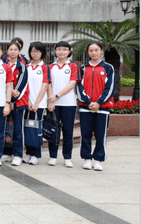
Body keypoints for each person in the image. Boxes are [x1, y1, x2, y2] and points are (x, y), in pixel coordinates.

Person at [76, 42, 115, 171]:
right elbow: (79, 87)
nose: (94, 53)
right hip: (85, 107)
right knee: (85, 134)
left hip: (102, 108)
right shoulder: (83, 68)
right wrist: (88, 102)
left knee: (100, 134)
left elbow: (110, 88)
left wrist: (99, 102)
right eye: (91, 50)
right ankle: (87, 159)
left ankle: (98, 159)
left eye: (96, 50)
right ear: (88, 52)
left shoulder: (108, 68)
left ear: (101, 51)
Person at [47, 41, 79, 168]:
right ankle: (52, 156)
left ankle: (67, 157)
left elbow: (72, 84)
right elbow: (48, 84)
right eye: (59, 49)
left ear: (69, 51)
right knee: (53, 131)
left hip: (69, 104)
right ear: (55, 51)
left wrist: (57, 96)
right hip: (53, 104)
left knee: (67, 131)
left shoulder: (72, 66)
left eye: (64, 49)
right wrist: (51, 100)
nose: (61, 51)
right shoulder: (50, 67)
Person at [1, 42, 29, 166]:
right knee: (7, 128)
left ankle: (17, 154)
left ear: (19, 51)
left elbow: (21, 86)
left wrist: (11, 100)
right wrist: (7, 100)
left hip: (19, 103)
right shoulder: (3, 65)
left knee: (18, 129)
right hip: (4, 102)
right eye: (10, 49)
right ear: (7, 51)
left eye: (15, 49)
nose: (12, 51)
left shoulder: (22, 66)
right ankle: (7, 152)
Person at [24, 42, 50, 165]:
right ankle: (28, 153)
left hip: (39, 104)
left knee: (36, 129)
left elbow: (45, 86)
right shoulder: (27, 67)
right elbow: (25, 86)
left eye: (38, 51)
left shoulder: (45, 67)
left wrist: (36, 103)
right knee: (28, 128)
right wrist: (29, 101)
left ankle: (36, 154)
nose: (35, 54)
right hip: (27, 103)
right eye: (33, 51)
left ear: (42, 53)